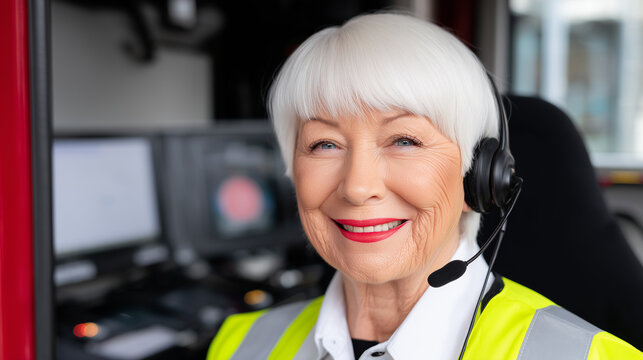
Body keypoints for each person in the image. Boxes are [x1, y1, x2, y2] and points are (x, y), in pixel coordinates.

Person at [207, 13, 643, 360]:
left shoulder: (594, 355)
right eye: (324, 144)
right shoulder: (238, 344)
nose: (357, 187)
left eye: (404, 140)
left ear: (479, 176)